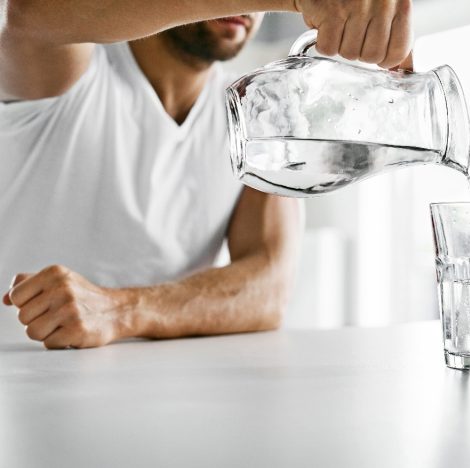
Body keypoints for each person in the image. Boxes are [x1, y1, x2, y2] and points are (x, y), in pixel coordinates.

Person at [0, 0, 413, 349]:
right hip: (19, 396)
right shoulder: (73, 66)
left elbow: (268, 287)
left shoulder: (256, 115)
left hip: (165, 405)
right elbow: (27, 15)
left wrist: (120, 309)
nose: (249, 9)